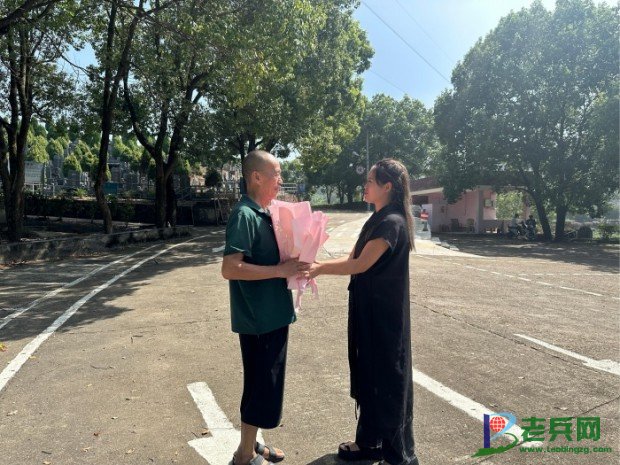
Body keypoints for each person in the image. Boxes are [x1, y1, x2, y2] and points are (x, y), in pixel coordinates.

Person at [303, 158, 420, 465]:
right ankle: (369, 443)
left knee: (386, 378)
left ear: (387, 186)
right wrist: (314, 262)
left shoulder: (391, 222)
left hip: (384, 318)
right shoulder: (377, 220)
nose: (364, 185)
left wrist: (318, 269)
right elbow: (351, 258)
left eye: (370, 181)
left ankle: (396, 454)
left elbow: (360, 265)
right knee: (369, 374)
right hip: (369, 313)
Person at [221, 150, 309, 465]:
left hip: (273, 314)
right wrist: (279, 270)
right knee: (259, 387)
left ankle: (252, 444)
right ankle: (243, 455)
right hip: (258, 319)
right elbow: (230, 268)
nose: (280, 180)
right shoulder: (244, 215)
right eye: (277, 173)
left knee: (265, 387)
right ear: (257, 177)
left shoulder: (266, 212)